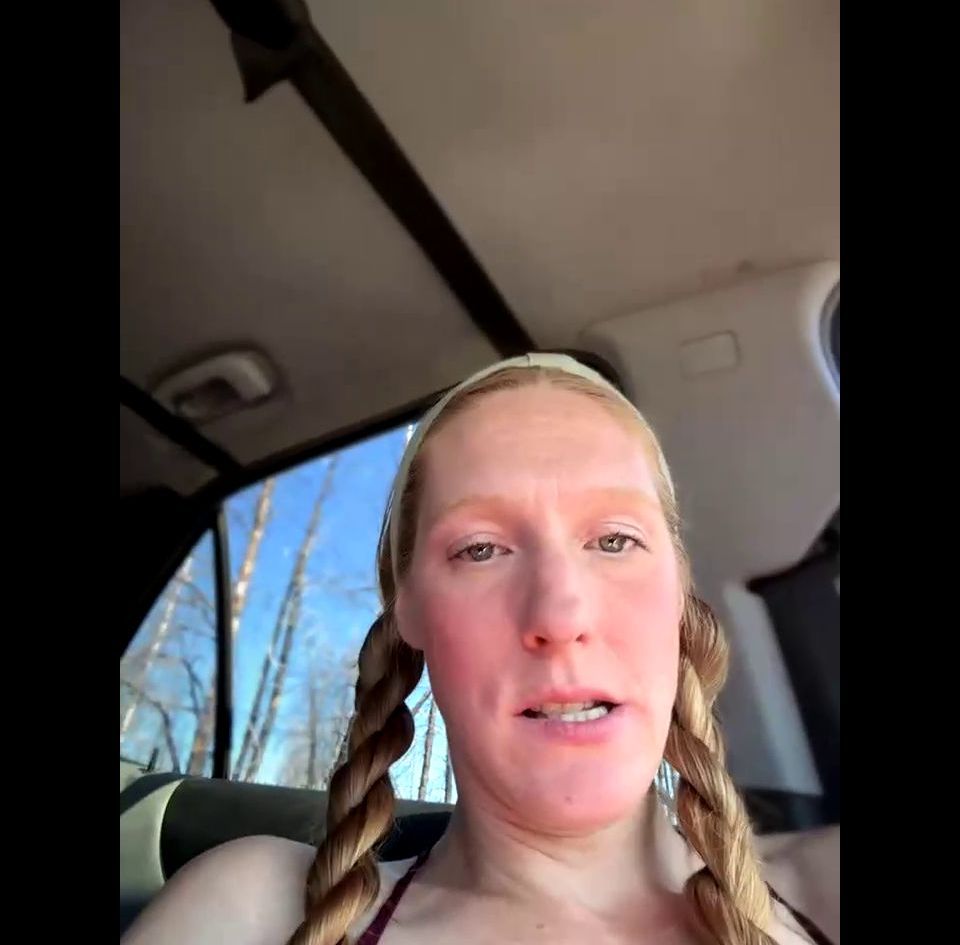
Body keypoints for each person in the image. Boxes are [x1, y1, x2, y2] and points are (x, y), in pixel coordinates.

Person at [122, 353, 839, 945]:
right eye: (481, 549)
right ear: (409, 611)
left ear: (679, 589)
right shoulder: (256, 914)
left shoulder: (827, 884)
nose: (560, 613)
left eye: (614, 540)